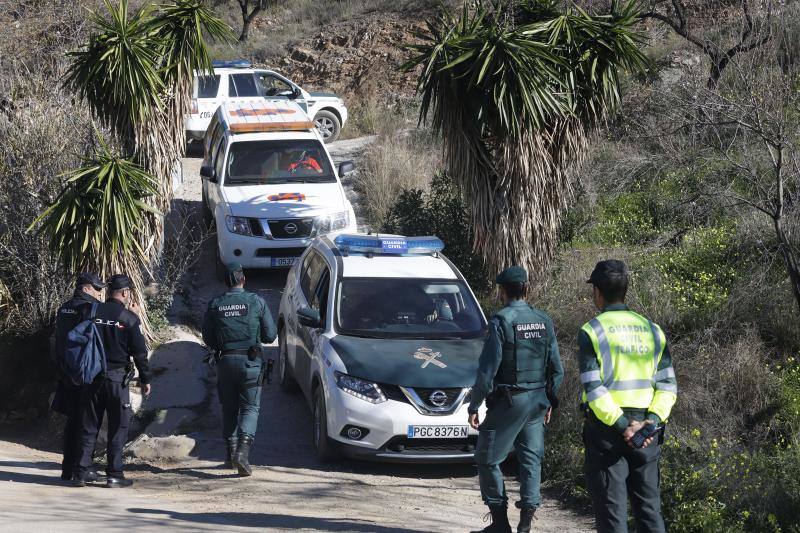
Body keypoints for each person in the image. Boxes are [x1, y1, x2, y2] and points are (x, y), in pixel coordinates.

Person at [579, 260, 678, 533]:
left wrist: (624, 426)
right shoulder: (652, 329)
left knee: (613, 516)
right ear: (625, 290)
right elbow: (668, 385)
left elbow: (594, 389)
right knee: (649, 511)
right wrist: (651, 422)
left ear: (597, 292)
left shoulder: (592, 331)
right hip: (647, 434)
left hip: (608, 432)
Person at [467, 266, 564, 533]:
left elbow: (487, 373)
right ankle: (525, 524)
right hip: (537, 403)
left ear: (502, 291)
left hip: (510, 402)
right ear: (527, 289)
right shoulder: (544, 320)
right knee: (531, 460)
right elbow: (557, 369)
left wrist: (474, 405)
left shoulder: (501, 321)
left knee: (487, 459)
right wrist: (550, 401)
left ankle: (500, 524)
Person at [73, 274, 151, 488]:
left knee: (89, 424)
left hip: (92, 376)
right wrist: (145, 379)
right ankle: (114, 474)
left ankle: (82, 471)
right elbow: (140, 353)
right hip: (117, 380)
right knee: (118, 426)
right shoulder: (128, 318)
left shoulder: (91, 311)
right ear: (125, 293)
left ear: (108, 292)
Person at [202, 262, 277, 477]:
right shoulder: (256, 302)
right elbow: (270, 336)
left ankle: (231, 454)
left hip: (225, 362)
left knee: (229, 408)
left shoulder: (215, 304)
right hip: (250, 364)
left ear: (226, 282)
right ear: (243, 279)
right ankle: (243, 454)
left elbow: (207, 337)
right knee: (250, 409)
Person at [53, 272, 105, 482]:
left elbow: (58, 340)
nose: (100, 293)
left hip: (66, 370)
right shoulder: (90, 308)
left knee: (72, 420)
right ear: (85, 288)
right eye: (97, 288)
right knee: (86, 421)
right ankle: (82, 468)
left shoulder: (63, 308)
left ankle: (67, 468)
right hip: (85, 371)